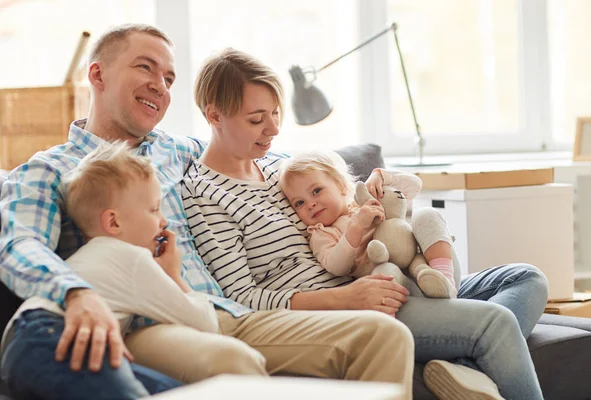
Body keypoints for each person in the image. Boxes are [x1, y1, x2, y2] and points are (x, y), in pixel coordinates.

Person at [0, 24, 415, 400]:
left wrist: (352, 185)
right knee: (231, 362)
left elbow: (265, 155)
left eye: (168, 78)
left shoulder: (179, 151)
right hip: (152, 321)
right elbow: (18, 246)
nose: (160, 86)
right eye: (146, 68)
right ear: (98, 75)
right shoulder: (49, 169)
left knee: (385, 336)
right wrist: (74, 293)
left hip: (231, 310)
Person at [181, 47, 548, 400]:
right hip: (358, 303)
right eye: (257, 119)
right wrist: (345, 297)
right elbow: (241, 299)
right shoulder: (204, 194)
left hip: (383, 274)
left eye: (276, 114)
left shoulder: (279, 167)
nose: (273, 129)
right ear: (214, 116)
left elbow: (347, 201)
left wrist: (377, 193)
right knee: (495, 323)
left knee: (526, 278)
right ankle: (466, 359)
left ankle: (463, 368)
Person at [2, 141, 269, 386]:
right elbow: (205, 323)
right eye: (154, 209)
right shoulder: (133, 260)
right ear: (114, 222)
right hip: (51, 335)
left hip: (27, 336)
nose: (163, 221)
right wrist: (174, 275)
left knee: (168, 389)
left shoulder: (93, 255)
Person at [278, 150, 457, 299]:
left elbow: (415, 186)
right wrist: (357, 226)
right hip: (402, 285)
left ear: (340, 185)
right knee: (384, 272)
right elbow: (336, 266)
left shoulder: (363, 200)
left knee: (426, 214)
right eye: (299, 203)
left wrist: (380, 176)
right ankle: (418, 297)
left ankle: (446, 282)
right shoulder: (321, 234)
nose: (310, 204)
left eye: (316, 191)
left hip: (430, 263)